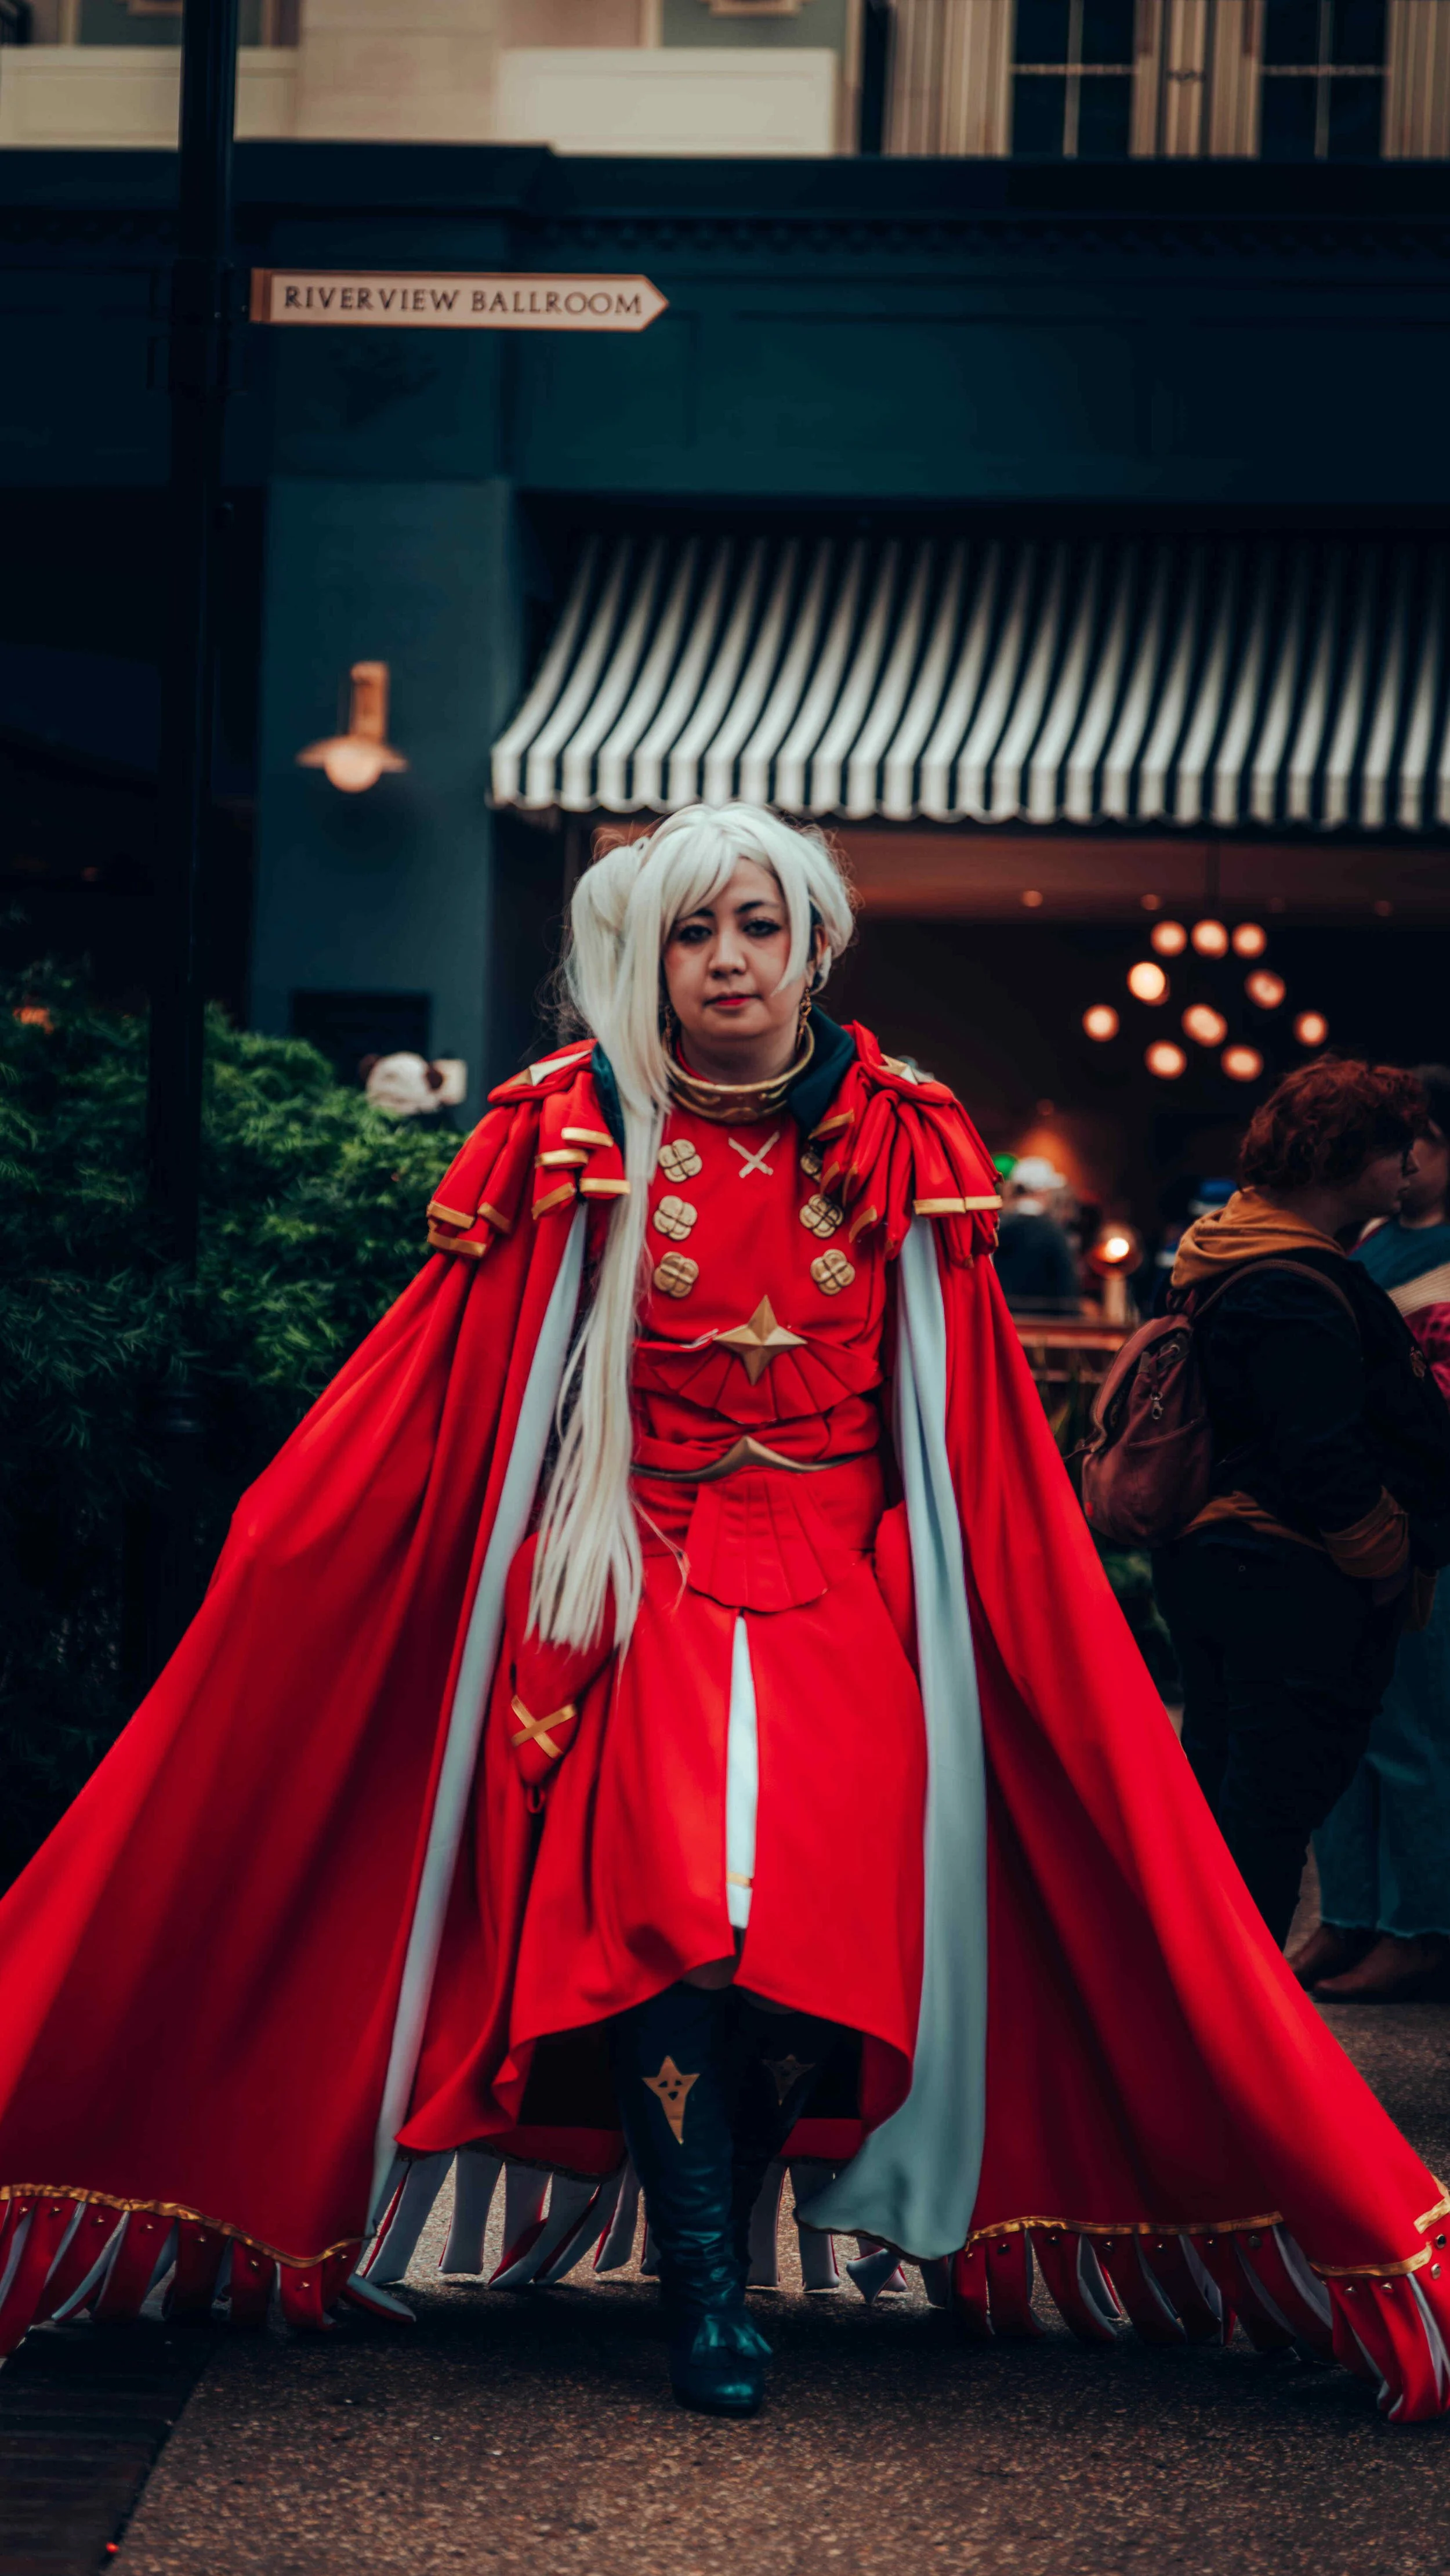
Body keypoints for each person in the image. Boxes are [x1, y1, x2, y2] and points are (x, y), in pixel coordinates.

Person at [3, 812, 1450, 2426]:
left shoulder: (911, 1131)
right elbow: (450, 1379)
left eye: (757, 926)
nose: (729, 962)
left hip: (840, 1584)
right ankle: (702, 2286)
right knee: (676, 1911)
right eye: (693, 935)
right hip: (636, 1580)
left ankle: (729, 2267)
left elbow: (960, 1415)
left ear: (812, 942)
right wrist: (309, 1545)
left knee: (811, 1943)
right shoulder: (566, 1126)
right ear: (650, 957)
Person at [1154, 1059, 1450, 1967]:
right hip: (1285, 1574)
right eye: (1395, 1148)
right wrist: (1387, 1558)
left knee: (1234, 1792)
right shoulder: (1291, 1276)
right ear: (1348, 1157)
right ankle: (1232, 2025)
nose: (1408, 1167)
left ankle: (1212, 2011)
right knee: (1264, 1814)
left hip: (1226, 1561)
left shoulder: (1237, 1247)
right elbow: (1321, 1455)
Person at [1296, 1064, 1450, 2000]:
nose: (1399, 1159)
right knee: (1342, 1725)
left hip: (1428, 1522)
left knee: (1414, 1729)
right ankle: (1349, 1913)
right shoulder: (1368, 1240)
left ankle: (1418, 1922)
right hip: (1345, 1510)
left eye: (1417, 1140)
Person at [992, 1153, 1081, 1312]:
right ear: (1044, 1192)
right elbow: (1067, 1289)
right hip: (1046, 1326)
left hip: (1002, 1320)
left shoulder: (997, 1228)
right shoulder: (1054, 1233)